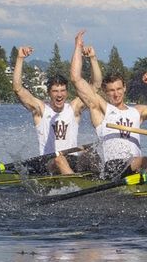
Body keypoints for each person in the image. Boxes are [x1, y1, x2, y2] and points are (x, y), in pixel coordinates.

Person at [69, 31, 147, 179]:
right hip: (113, 167)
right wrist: (77, 47)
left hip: (135, 164)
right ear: (105, 92)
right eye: (111, 90)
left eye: (119, 89)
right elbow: (76, 78)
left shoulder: (137, 112)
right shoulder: (100, 109)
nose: (116, 94)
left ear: (125, 88)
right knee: (145, 167)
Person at [11, 44, 100, 174]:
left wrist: (92, 58)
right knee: (59, 159)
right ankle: (75, 187)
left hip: (71, 159)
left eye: (62, 91)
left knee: (91, 153)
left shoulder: (73, 109)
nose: (59, 95)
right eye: (55, 91)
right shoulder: (40, 110)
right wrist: (20, 59)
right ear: (49, 93)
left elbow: (96, 85)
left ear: (67, 92)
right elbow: (18, 89)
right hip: (49, 162)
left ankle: (98, 183)